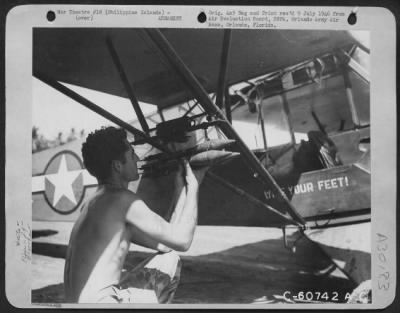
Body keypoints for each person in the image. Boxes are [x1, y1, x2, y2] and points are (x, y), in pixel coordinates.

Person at [64, 126, 207, 303]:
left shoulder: (94, 203)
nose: (138, 158)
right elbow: (184, 241)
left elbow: (167, 245)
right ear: (117, 166)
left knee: (168, 258)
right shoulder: (122, 200)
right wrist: (193, 188)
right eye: (132, 154)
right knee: (169, 263)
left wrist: (180, 190)